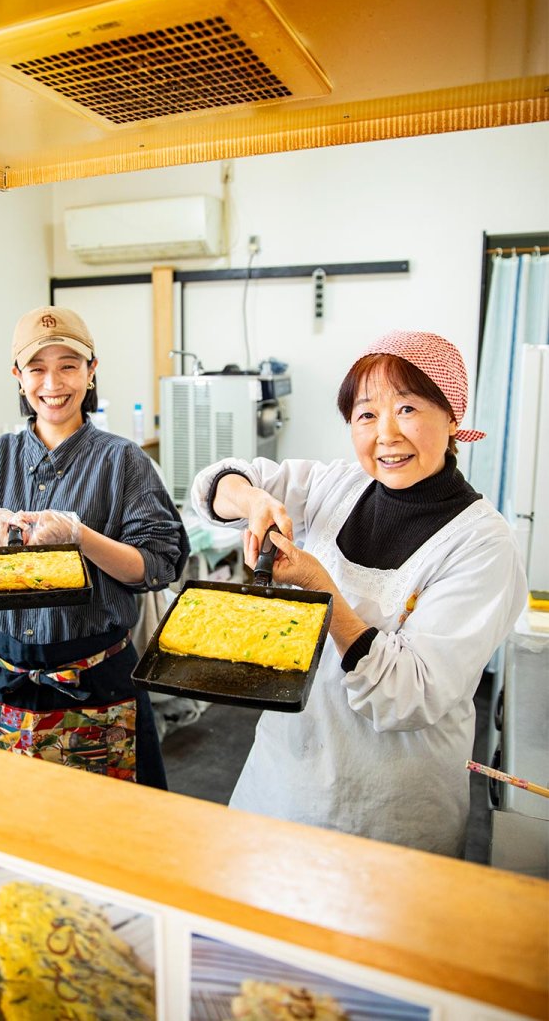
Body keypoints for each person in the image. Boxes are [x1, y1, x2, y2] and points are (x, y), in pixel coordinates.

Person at [191, 330, 527, 855]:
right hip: (280, 783)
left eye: (408, 408)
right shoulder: (336, 487)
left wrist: (321, 590)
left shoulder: (481, 543)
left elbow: (408, 696)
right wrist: (252, 498)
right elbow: (215, 483)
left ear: (453, 417)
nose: (386, 434)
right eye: (366, 415)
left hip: (389, 810)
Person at [0, 305, 189, 787]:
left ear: (91, 371)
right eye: (37, 368)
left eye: (68, 366)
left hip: (97, 683)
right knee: (6, 834)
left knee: (112, 835)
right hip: (5, 686)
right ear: (18, 377)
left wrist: (82, 536)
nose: (52, 383)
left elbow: (160, 565)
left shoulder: (123, 462)